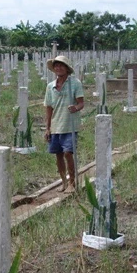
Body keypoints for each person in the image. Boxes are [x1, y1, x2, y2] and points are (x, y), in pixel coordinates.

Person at [44, 55, 84, 193]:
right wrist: (47, 128)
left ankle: (72, 182)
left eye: (61, 65)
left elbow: (81, 103)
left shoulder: (75, 83)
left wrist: (76, 108)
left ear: (67, 68)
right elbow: (48, 107)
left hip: (70, 124)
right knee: (58, 154)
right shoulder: (50, 87)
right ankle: (64, 182)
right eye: (56, 66)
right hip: (56, 125)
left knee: (68, 152)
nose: (58, 68)